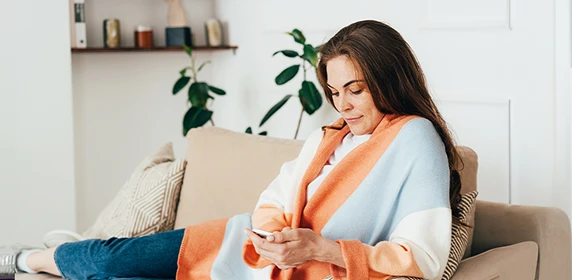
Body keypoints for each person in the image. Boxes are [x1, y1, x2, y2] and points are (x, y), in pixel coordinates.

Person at [0, 19, 463, 280]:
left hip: (293, 273)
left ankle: (63, 255)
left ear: (389, 78)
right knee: (108, 260)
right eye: (334, 91)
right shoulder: (333, 135)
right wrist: (273, 236)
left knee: (114, 274)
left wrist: (321, 249)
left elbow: (421, 257)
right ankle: (26, 259)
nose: (342, 103)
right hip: (239, 245)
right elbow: (273, 199)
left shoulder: (414, 138)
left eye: (355, 90)